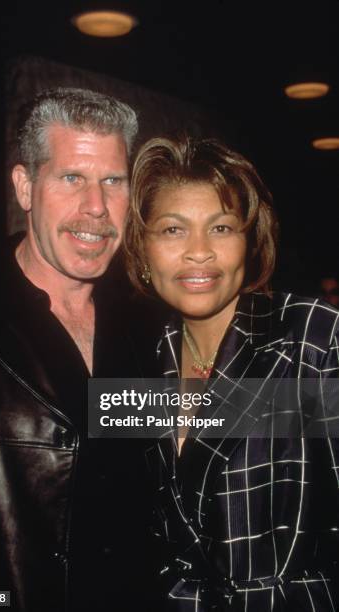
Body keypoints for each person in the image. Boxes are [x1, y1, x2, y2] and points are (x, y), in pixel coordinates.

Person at [0, 87, 156, 612]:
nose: (96, 207)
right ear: (25, 186)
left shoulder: (148, 327)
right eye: (72, 179)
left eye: (113, 181)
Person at [125, 136, 339, 611]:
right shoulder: (137, 358)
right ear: (142, 250)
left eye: (221, 228)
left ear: (250, 239)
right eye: (172, 230)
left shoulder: (311, 339)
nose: (199, 252)